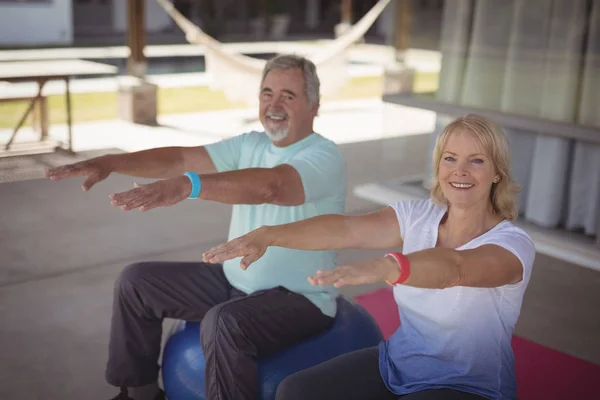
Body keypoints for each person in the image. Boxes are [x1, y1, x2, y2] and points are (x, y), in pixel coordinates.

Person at [45, 54, 347, 400]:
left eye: (288, 96)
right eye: (267, 93)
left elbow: (273, 186)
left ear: (315, 106)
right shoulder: (251, 144)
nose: (274, 105)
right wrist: (114, 161)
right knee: (136, 283)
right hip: (234, 282)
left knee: (223, 322)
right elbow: (180, 159)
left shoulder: (323, 156)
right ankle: (140, 395)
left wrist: (189, 186)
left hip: (300, 298)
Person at [203, 114, 536, 400]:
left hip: (469, 385)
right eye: (450, 158)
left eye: (476, 160)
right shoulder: (418, 215)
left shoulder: (513, 245)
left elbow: (456, 268)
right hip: (397, 363)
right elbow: (346, 230)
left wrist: (389, 266)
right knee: (295, 391)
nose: (459, 171)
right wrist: (270, 234)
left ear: (497, 173)